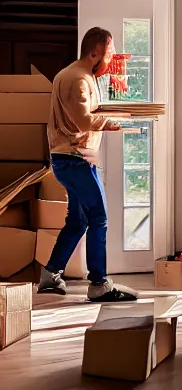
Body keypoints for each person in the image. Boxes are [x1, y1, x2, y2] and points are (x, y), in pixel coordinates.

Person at [38, 27, 137, 302]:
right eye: (109, 53)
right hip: (73, 160)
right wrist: (116, 122)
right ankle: (98, 284)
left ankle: (51, 274)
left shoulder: (80, 76)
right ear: (94, 52)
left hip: (75, 159)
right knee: (99, 217)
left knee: (79, 220)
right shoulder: (77, 78)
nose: (112, 58)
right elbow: (83, 121)